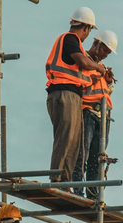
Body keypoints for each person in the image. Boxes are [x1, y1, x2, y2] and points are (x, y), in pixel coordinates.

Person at [46, 7, 107, 186]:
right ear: (87, 28)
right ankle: (57, 178)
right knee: (65, 138)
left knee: (73, 142)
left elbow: (78, 72)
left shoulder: (74, 45)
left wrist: (94, 76)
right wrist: (98, 68)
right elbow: (81, 61)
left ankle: (65, 181)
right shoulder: (70, 38)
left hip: (71, 95)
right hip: (63, 94)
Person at [72, 30, 118, 199]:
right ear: (96, 44)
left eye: (108, 52)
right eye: (104, 50)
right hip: (87, 112)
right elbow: (77, 83)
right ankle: (77, 190)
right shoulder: (83, 59)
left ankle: (93, 194)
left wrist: (109, 81)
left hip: (102, 116)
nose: (105, 54)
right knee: (81, 154)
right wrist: (95, 78)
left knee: (97, 159)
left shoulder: (102, 68)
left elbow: (107, 92)